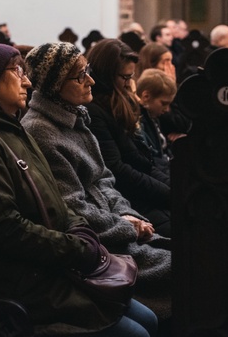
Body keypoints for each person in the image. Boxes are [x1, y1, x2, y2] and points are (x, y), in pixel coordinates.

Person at [0, 43, 159, 336]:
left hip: (61, 258)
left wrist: (82, 231)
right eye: (17, 71)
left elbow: (56, 197)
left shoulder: (10, 128)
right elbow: (5, 228)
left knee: (149, 318)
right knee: (139, 330)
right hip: (30, 277)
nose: (27, 81)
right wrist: (77, 247)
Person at [21, 43, 172, 322]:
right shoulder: (41, 131)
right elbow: (73, 208)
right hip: (100, 247)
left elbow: (104, 179)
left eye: (87, 71)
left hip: (116, 227)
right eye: (80, 75)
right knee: (186, 271)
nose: (90, 80)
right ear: (55, 85)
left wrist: (130, 216)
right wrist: (124, 227)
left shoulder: (76, 116)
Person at [85, 39, 171, 234]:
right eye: (124, 77)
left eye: (131, 77)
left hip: (140, 189)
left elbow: (142, 161)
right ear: (106, 75)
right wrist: (168, 194)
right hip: (126, 198)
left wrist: (172, 187)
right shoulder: (94, 111)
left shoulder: (119, 103)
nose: (128, 84)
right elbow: (117, 169)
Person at [135, 68, 177, 184]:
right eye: (163, 103)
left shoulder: (152, 117)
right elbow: (152, 161)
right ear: (146, 96)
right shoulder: (139, 122)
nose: (167, 109)